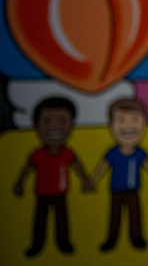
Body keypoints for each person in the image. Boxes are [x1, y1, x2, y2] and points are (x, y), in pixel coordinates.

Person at [13, 97, 91, 257]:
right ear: (36, 126)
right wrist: (19, 183)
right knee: (40, 220)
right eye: (47, 121)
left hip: (61, 193)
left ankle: (63, 242)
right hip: (42, 194)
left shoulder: (67, 153)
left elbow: (77, 167)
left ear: (72, 125)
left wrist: (85, 180)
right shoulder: (38, 154)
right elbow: (27, 169)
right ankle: (37, 243)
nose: (55, 127)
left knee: (62, 220)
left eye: (63, 121)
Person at [91, 98, 148, 250]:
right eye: (121, 120)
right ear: (111, 125)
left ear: (144, 124)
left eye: (135, 119)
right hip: (116, 190)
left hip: (133, 191)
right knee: (115, 215)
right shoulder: (113, 153)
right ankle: (112, 239)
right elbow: (103, 167)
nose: (128, 125)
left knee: (135, 215)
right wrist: (94, 180)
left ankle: (136, 237)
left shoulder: (139, 153)